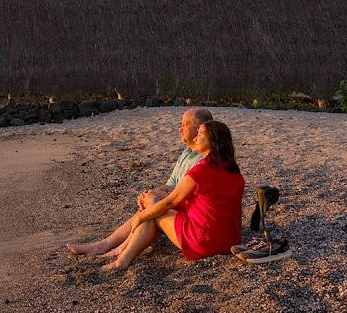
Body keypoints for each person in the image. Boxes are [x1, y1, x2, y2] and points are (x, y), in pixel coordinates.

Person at [67, 120, 245, 270]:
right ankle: (115, 247)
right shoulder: (234, 172)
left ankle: (122, 259)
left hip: (205, 241)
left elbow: (170, 202)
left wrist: (142, 216)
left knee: (154, 213)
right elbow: (207, 206)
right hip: (230, 241)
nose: (196, 137)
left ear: (213, 142)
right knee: (155, 208)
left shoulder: (201, 170)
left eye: (201, 134)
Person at [136, 108, 213, 211]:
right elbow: (171, 184)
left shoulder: (204, 160)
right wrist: (149, 195)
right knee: (147, 207)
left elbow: (184, 198)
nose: (180, 129)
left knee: (149, 211)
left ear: (199, 129)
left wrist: (154, 198)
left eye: (185, 125)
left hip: (187, 209)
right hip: (175, 202)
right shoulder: (186, 153)